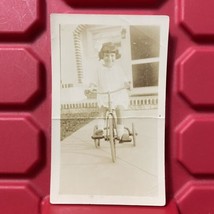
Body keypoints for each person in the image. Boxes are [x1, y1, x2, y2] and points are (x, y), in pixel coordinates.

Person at [92, 42, 131, 142]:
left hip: (118, 94)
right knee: (102, 110)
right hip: (104, 94)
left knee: (119, 109)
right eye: (106, 55)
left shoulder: (118, 68)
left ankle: (121, 133)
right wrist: (91, 87)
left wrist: (127, 84)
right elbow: (94, 81)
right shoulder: (98, 69)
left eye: (112, 55)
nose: (110, 58)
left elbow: (125, 80)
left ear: (116, 56)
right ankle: (100, 129)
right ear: (102, 56)